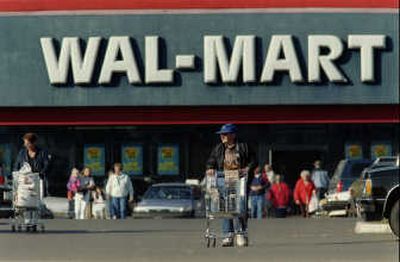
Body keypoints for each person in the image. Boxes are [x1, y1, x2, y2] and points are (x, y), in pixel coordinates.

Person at [206, 123, 257, 247]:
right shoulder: (219, 148)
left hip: (240, 180)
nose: (222, 136)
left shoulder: (244, 146)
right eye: (221, 134)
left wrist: (247, 169)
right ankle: (228, 235)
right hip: (224, 179)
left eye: (225, 134)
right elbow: (211, 161)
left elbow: (254, 161)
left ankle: (241, 233)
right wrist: (210, 168)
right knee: (225, 207)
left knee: (240, 207)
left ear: (233, 135)